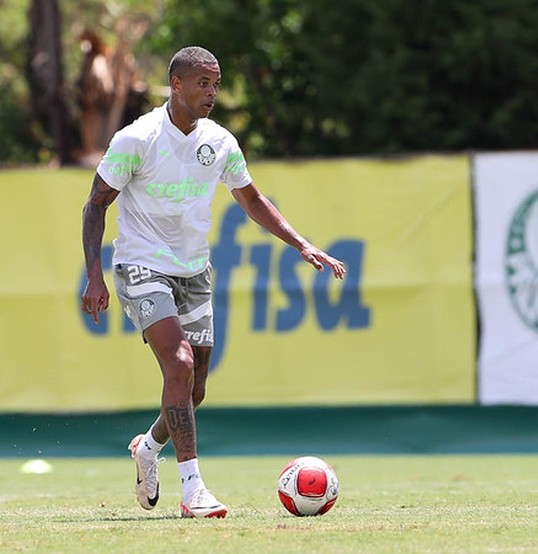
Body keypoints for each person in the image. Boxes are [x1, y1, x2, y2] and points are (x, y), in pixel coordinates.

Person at [80, 46, 346, 519]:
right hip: (142, 265)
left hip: (195, 271)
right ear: (176, 85)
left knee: (195, 388)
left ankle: (148, 447)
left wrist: (302, 244)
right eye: (203, 84)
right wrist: (94, 277)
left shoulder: (220, 142)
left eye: (216, 85)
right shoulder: (137, 138)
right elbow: (95, 204)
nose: (212, 94)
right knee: (178, 364)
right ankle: (193, 491)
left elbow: (251, 198)